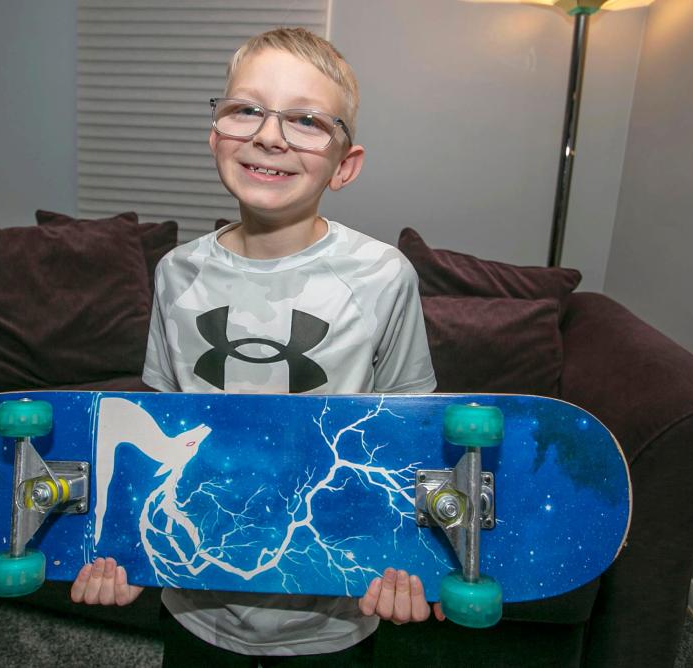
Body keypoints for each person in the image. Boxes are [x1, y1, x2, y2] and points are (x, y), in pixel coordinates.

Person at [71, 27, 441, 663]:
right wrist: (127, 548)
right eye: (246, 109)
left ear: (345, 165)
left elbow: (413, 438)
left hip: (333, 611)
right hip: (195, 602)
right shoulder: (176, 273)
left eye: (304, 120)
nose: (270, 136)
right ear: (216, 133)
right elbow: (156, 428)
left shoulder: (383, 277)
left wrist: (419, 563)